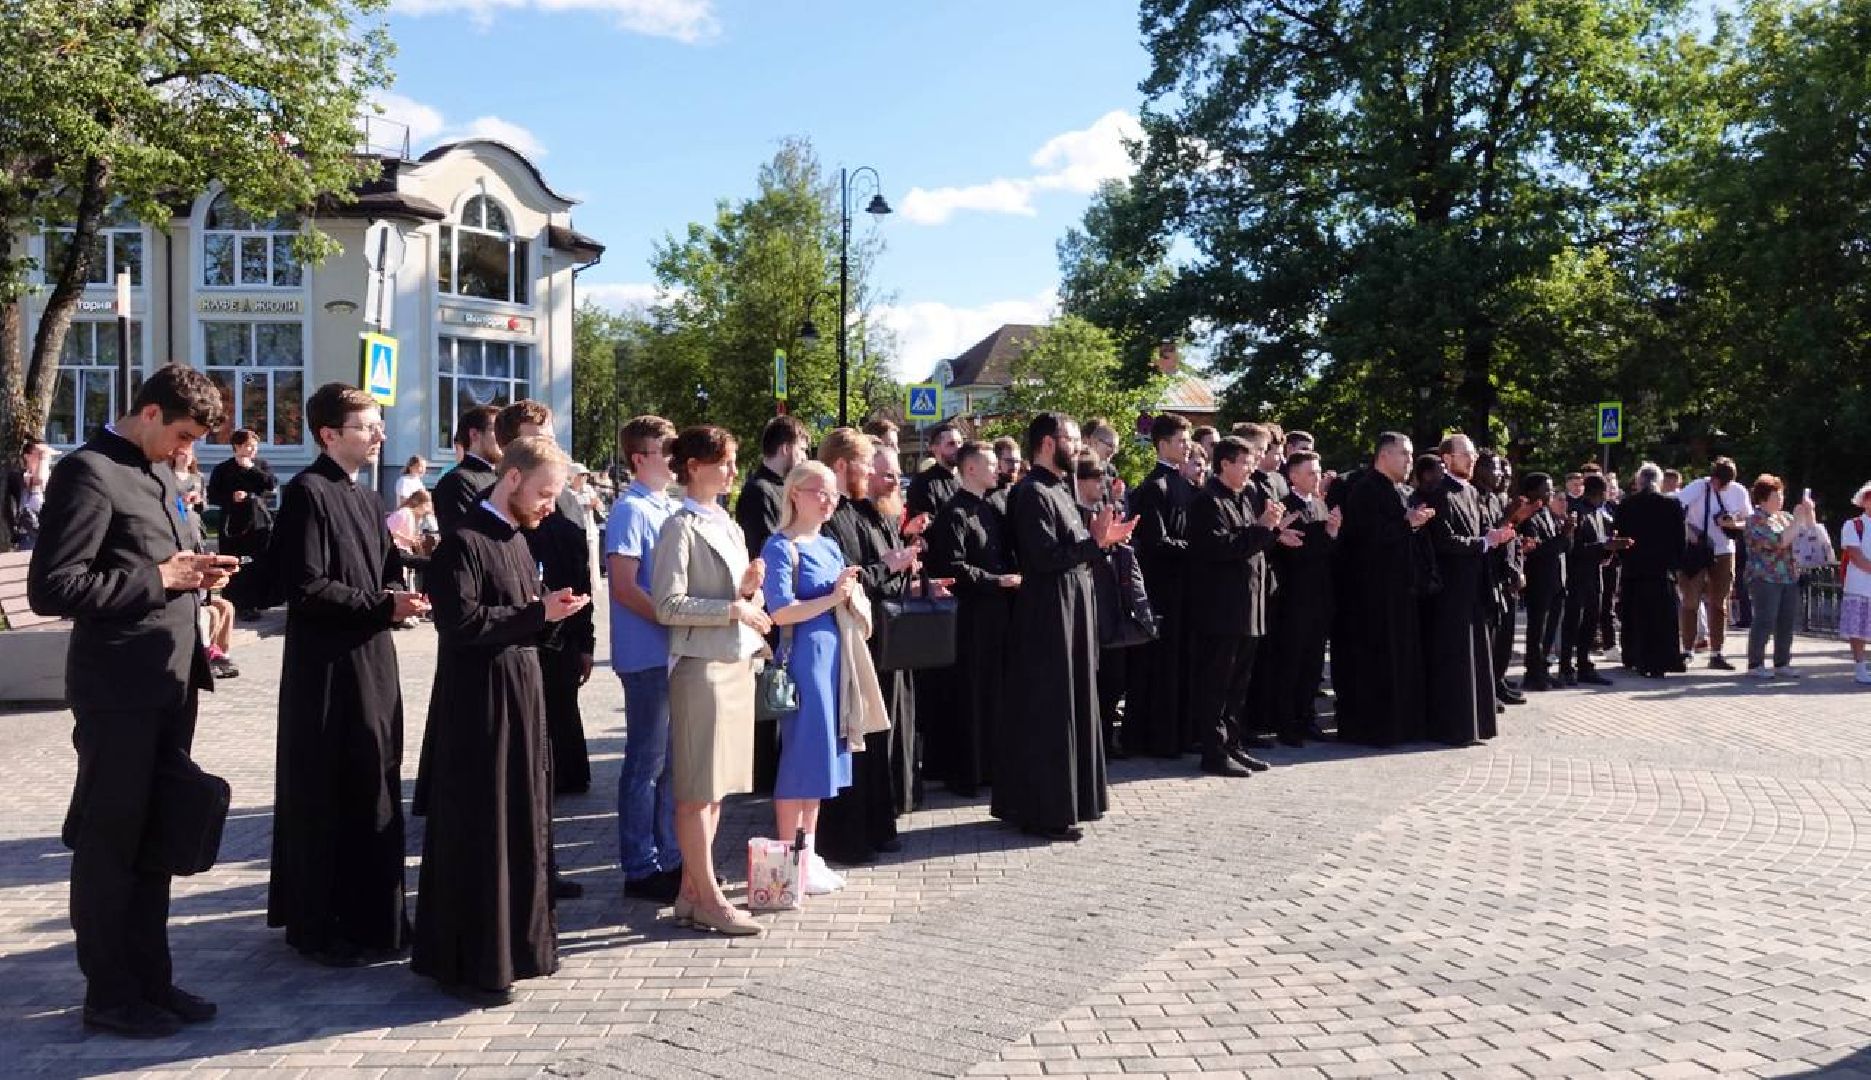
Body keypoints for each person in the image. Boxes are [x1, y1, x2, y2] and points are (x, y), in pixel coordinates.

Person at [28, 363, 234, 1036]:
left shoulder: (161, 474)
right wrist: (158, 577)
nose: (185, 452)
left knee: (158, 840)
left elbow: (169, 563)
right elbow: (55, 587)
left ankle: (153, 980)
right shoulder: (89, 471)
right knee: (110, 845)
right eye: (179, 436)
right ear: (148, 413)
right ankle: (110, 995)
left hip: (172, 682)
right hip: (117, 692)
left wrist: (198, 572)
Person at [411, 435, 591, 1003]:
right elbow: (462, 625)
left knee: (523, 820)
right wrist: (538, 611)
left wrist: (552, 613)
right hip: (480, 705)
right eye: (543, 493)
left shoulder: (517, 539)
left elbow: (522, 615)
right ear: (511, 478)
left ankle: (522, 948)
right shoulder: (463, 542)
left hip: (522, 696)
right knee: (483, 827)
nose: (548, 506)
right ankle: (471, 962)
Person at [268, 382, 428, 969]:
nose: (379, 434)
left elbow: (384, 570)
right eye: (367, 426)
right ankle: (322, 922)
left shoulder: (365, 498)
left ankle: (374, 917)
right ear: (330, 434)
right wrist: (381, 606)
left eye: (379, 423)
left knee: (376, 775)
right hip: (327, 667)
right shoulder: (307, 492)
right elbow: (305, 587)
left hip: (373, 656)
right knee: (331, 786)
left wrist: (419, 578)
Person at [649, 426, 772, 936]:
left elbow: (733, 598)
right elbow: (667, 605)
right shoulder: (680, 525)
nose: (732, 472)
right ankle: (709, 896)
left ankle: (690, 892)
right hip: (700, 666)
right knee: (697, 790)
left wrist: (747, 590)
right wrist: (733, 608)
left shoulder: (725, 522)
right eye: (724, 463)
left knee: (716, 789)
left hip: (733, 661)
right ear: (694, 466)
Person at [993, 413, 1134, 841]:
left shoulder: (1059, 490)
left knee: (1070, 706)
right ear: (1049, 444)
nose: (1079, 447)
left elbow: (1073, 551)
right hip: (1046, 619)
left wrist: (1099, 541)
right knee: (1049, 714)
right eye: (1072, 439)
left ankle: (1071, 801)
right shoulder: (1032, 492)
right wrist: (1097, 543)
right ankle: (1043, 811)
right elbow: (1043, 558)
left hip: (1070, 612)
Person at [763, 461, 867, 895]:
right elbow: (780, 611)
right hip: (802, 659)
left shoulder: (828, 545)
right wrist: (831, 597)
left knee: (823, 758)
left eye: (833, 494)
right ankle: (790, 857)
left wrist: (847, 594)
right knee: (799, 760)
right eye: (819, 492)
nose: (828, 501)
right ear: (794, 494)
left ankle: (808, 853)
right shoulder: (779, 546)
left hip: (832, 657)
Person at [818, 432, 920, 864]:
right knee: (853, 736)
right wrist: (888, 566)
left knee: (873, 739)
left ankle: (876, 824)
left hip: (871, 636)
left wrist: (895, 565)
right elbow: (847, 577)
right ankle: (848, 834)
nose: (870, 474)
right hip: (846, 638)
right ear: (843, 466)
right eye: (865, 465)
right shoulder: (832, 515)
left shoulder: (859, 511)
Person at [497, 401, 596, 805]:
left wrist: (585, 642)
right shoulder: (501, 503)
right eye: (536, 440)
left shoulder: (566, 500)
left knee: (562, 724)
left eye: (550, 439)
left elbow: (581, 573)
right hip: (520, 635)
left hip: (563, 634)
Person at [604, 415, 685, 905]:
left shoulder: (665, 506)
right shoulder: (631, 510)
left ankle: (669, 858)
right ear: (640, 459)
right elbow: (623, 585)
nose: (675, 457)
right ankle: (640, 865)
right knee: (645, 765)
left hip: (670, 651)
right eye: (666, 449)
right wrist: (674, 617)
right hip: (647, 654)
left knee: (670, 765)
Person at [1187, 436, 1295, 776]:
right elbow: (1221, 548)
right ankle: (1214, 751)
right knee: (1217, 683)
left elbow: (1252, 539)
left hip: (1249, 604)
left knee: (1238, 683)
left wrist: (1274, 532)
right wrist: (1264, 528)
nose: (1251, 469)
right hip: (1221, 609)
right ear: (1225, 464)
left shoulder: (1246, 496)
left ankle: (1233, 743)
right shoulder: (1207, 501)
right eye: (1245, 463)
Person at [925, 441, 1019, 794]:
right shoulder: (954, 514)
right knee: (969, 693)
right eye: (991, 464)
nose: (998, 469)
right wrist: (997, 580)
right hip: (970, 616)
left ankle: (991, 766)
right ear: (971, 469)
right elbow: (952, 567)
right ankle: (965, 771)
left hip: (996, 614)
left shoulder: (992, 508)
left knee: (993, 692)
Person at [1333, 433, 1436, 747]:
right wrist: (1408, 524)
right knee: (1377, 661)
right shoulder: (1366, 490)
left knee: (1401, 659)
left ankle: (1403, 724)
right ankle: (1375, 728)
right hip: (1373, 594)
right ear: (1383, 456)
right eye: (1404, 454)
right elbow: (1368, 539)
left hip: (1400, 589)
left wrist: (1414, 525)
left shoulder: (1402, 491)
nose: (1409, 461)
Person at [1419, 435, 1519, 743]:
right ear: (1447, 458)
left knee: (1477, 656)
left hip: (1476, 584)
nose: (1472, 459)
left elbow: (1482, 530)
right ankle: (1454, 728)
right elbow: (1443, 541)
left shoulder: (1472, 491)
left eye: (1473, 454)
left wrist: (1496, 536)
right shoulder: (1438, 493)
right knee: (1455, 659)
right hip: (1451, 590)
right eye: (1466, 454)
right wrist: (1485, 542)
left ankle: (1476, 725)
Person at [733, 414, 810, 794]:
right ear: (785, 448)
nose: (806, 454)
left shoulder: (778, 488)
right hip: (769, 603)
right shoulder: (760, 490)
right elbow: (767, 547)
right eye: (803, 447)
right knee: (772, 686)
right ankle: (764, 774)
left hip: (781, 601)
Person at [1125, 413, 1196, 758]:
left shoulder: (1184, 485)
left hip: (1184, 588)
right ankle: (1152, 738)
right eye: (1181, 441)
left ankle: (1178, 734)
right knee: (1157, 665)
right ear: (1163, 444)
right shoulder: (1154, 487)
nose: (1187, 446)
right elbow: (1157, 541)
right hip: (1160, 588)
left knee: (1180, 663)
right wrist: (1198, 549)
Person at [1268, 450, 1338, 745]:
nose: (1316, 476)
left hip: (1320, 596)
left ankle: (1306, 717)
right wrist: (1328, 536)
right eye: (1310, 472)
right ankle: (1286, 724)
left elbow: (1330, 553)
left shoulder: (1321, 505)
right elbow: (1296, 552)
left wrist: (1333, 535)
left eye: (1318, 471)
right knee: (1291, 663)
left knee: (1312, 663)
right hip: (1293, 598)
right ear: (1293, 476)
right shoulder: (1285, 509)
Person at [1675, 458, 1752, 671]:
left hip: (1724, 550)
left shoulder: (1738, 491)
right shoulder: (1698, 487)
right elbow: (1675, 509)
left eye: (1725, 484)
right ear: (1713, 477)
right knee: (1690, 600)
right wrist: (1690, 533)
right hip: (1696, 549)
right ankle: (1687, 650)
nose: (1721, 487)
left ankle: (1717, 653)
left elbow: (1749, 521)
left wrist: (1732, 524)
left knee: (1720, 602)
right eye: (1719, 482)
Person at [1614, 464, 1688, 678]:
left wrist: (1625, 560)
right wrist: (1675, 565)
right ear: (1660, 481)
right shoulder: (1671, 504)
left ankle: (1635, 657)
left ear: (1639, 481)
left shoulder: (1627, 504)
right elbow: (1679, 540)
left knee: (1635, 616)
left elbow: (1619, 537)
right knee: (1661, 618)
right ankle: (1662, 660)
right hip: (1661, 571)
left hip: (1634, 570)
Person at [1742, 474, 1814, 680]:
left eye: (1781, 495)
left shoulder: (1784, 517)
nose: (1780, 499)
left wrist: (1809, 512)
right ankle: (1755, 664)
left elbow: (1808, 532)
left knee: (1786, 621)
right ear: (1763, 498)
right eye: (1776, 495)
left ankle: (1782, 662)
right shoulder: (1755, 520)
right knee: (1765, 619)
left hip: (1788, 576)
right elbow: (1779, 542)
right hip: (1764, 576)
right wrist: (1798, 521)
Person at [1559, 474, 1624, 687]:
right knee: (1573, 621)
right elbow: (1574, 548)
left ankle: (1584, 664)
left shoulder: (1598, 512)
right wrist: (1603, 547)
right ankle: (1566, 667)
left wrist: (1610, 549)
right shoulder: (1577, 510)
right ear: (1598, 492)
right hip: (1577, 575)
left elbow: (1601, 542)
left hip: (1595, 575)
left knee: (1591, 620)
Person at [206, 428, 276, 617]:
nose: (253, 450)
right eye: (248, 446)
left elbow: (271, 484)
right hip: (233, 522)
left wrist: (251, 468)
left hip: (257, 520)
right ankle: (235, 602)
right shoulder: (223, 469)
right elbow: (212, 495)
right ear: (237, 446)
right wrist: (231, 497)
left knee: (257, 561)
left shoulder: (260, 465)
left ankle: (256, 602)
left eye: (255, 447)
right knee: (235, 561)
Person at [1474, 453, 1525, 705]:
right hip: (1485, 576)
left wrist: (1515, 568)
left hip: (1501, 575)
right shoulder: (1477, 496)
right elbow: (1488, 534)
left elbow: (1509, 539)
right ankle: (1488, 690)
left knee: (1500, 638)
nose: (1502, 475)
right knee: (1489, 640)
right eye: (1497, 470)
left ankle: (1496, 684)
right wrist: (1511, 516)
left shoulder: (1495, 498)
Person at [1515, 472, 1571, 691]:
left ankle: (1544, 668)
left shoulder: (1548, 513)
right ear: (1531, 491)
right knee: (1537, 629)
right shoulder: (1528, 516)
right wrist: (1562, 536)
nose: (1550, 493)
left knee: (1550, 629)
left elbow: (1560, 548)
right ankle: (1533, 673)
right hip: (1539, 581)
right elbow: (1538, 551)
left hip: (1556, 580)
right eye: (1545, 489)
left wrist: (1567, 533)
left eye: (1551, 489)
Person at [734, 415, 810, 560]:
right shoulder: (757, 492)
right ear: (785, 448)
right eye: (801, 449)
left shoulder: (786, 487)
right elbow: (765, 550)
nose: (804, 457)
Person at [431, 405, 501, 535]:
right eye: (496, 430)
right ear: (474, 435)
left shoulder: (499, 476)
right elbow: (466, 538)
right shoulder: (457, 481)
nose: (503, 437)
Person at [906, 421, 963, 521]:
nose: (958, 448)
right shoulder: (923, 483)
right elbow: (924, 524)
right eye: (951, 444)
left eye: (960, 443)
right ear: (934, 448)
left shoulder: (967, 478)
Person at [3, 437, 51, 551]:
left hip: (50, 532)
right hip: (28, 534)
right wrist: (14, 531)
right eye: (38, 454)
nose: (43, 457)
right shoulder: (18, 477)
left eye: (44, 454)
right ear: (27, 456)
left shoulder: (52, 477)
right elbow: (9, 507)